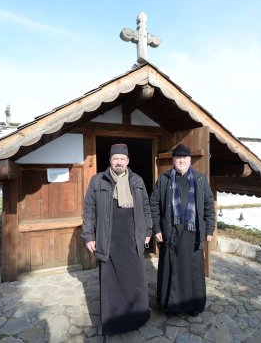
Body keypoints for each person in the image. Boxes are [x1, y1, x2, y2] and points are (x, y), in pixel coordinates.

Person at [81, 143, 152, 336]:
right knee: (111, 282)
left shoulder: (137, 180)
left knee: (135, 280)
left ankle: (138, 316)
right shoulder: (98, 181)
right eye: (115, 159)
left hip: (132, 238)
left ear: (128, 161)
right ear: (110, 161)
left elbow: (146, 207)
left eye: (122, 159)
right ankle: (113, 323)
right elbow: (88, 209)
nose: (119, 162)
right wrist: (88, 235)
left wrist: (148, 230)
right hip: (108, 239)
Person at [150, 143, 215, 317]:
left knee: (193, 271)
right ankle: (169, 306)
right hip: (170, 233)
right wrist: (156, 228)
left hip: (193, 235)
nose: (181, 161)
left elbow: (209, 205)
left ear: (190, 160)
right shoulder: (164, 179)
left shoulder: (200, 179)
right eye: (178, 158)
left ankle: (194, 306)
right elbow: (154, 205)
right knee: (171, 269)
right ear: (173, 160)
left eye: (185, 158)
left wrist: (209, 229)